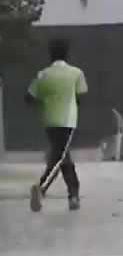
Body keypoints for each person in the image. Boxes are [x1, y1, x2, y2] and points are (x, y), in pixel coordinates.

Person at [26, 38, 87, 213]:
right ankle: (42, 187)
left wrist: (45, 102)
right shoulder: (76, 73)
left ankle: (72, 195)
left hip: (49, 121)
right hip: (68, 121)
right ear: (67, 53)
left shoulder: (42, 75)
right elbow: (81, 97)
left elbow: (29, 97)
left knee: (61, 156)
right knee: (60, 158)